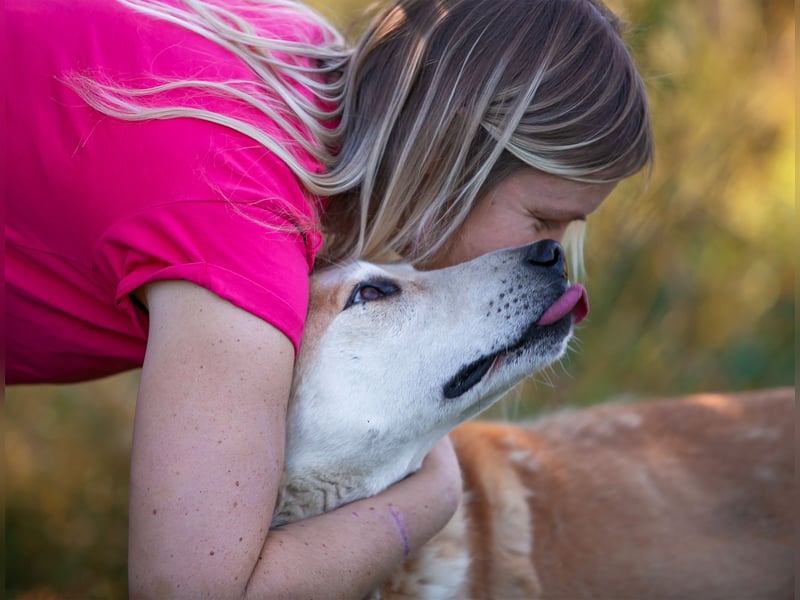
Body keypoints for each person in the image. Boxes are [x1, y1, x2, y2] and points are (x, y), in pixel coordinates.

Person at [5, 0, 652, 597]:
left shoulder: (307, 59)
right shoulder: (242, 214)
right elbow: (195, 590)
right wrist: (431, 497)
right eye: (542, 219)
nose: (550, 254)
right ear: (444, 161)